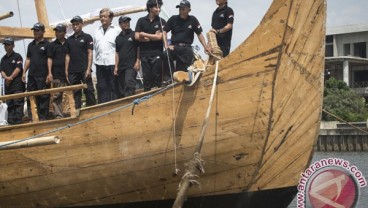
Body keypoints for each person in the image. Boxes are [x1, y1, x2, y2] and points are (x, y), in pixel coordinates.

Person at [162, 0, 211, 81]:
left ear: (189, 10)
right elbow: (164, 31)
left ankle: (179, 81)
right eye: (180, 9)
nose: (181, 11)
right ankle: (169, 78)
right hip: (174, 47)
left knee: (182, 74)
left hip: (186, 49)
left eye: (183, 9)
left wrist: (205, 47)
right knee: (165, 54)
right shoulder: (173, 19)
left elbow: (199, 34)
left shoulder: (193, 20)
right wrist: (166, 45)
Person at [65, 15, 96, 109]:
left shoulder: (87, 37)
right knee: (75, 93)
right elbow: (67, 55)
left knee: (89, 90)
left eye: (77, 24)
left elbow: (90, 53)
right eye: (73, 24)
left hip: (84, 69)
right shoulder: (69, 40)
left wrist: (88, 69)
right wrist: (66, 70)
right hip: (72, 71)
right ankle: (78, 111)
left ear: (81, 24)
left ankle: (92, 109)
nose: (75, 26)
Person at [135, 0, 166, 92]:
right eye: (156, 7)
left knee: (156, 75)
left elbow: (160, 37)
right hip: (144, 54)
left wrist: (144, 34)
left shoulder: (161, 21)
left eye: (159, 7)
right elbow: (136, 36)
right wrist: (151, 37)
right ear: (150, 8)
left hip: (157, 52)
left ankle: (158, 95)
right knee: (147, 77)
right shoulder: (141, 21)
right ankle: (146, 97)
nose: (158, 9)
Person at [22, 23, 51, 121]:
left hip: (42, 75)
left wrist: (49, 73)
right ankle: (32, 117)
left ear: (43, 31)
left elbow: (49, 59)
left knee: (43, 97)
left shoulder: (47, 44)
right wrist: (24, 72)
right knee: (31, 97)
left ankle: (43, 118)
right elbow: (28, 59)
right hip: (32, 75)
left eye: (38, 30)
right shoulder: (31, 45)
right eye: (34, 30)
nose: (35, 32)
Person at [94, 8, 121, 104]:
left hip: (112, 63)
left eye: (105, 16)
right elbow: (96, 48)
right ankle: (103, 108)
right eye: (101, 17)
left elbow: (120, 48)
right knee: (101, 88)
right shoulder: (96, 31)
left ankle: (114, 107)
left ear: (110, 18)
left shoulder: (117, 30)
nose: (102, 18)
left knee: (113, 87)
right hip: (100, 63)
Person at [0, 37, 25, 124]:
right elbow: (1, 71)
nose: (6, 46)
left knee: (18, 103)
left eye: (8, 45)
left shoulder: (17, 56)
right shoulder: (3, 59)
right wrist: (6, 78)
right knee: (9, 104)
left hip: (17, 85)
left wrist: (10, 77)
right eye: (5, 45)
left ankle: (18, 122)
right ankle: (11, 122)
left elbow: (18, 69)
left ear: (13, 46)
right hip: (8, 86)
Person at [114, 16, 140, 98]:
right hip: (121, 67)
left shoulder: (134, 34)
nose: (127, 23)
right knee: (121, 89)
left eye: (128, 21)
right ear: (120, 24)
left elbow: (139, 48)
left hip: (131, 66)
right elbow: (117, 53)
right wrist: (116, 67)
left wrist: (138, 61)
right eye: (124, 22)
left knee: (129, 84)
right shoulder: (118, 38)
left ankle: (130, 104)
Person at [47, 23, 67, 119]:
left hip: (69, 73)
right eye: (56, 31)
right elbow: (49, 59)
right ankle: (58, 115)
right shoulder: (52, 45)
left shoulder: (69, 43)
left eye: (60, 31)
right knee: (57, 95)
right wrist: (50, 73)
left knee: (74, 93)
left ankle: (73, 111)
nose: (57, 33)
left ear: (64, 32)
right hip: (57, 73)